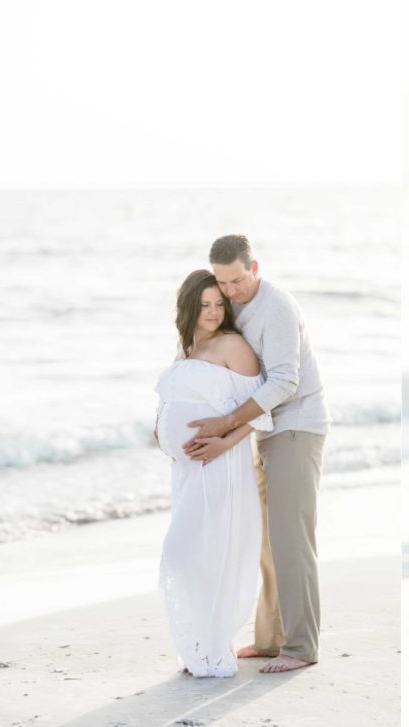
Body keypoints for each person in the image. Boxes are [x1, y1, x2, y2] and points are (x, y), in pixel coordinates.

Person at [182, 234, 330, 674]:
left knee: (292, 540)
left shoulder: (276, 307)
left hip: (297, 427)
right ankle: (271, 640)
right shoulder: (232, 307)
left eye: (238, 280)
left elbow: (284, 382)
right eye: (223, 283)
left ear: (255, 268)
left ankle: (301, 646)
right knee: (266, 541)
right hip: (264, 429)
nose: (230, 291)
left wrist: (226, 425)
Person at [154, 269, 272, 677]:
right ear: (188, 307)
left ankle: (214, 642)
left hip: (219, 465)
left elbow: (262, 409)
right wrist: (160, 425)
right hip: (187, 472)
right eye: (204, 305)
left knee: (183, 553)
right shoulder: (186, 347)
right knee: (198, 556)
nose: (213, 312)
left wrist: (225, 442)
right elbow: (174, 396)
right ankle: (200, 646)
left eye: (219, 304)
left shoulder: (233, 345)